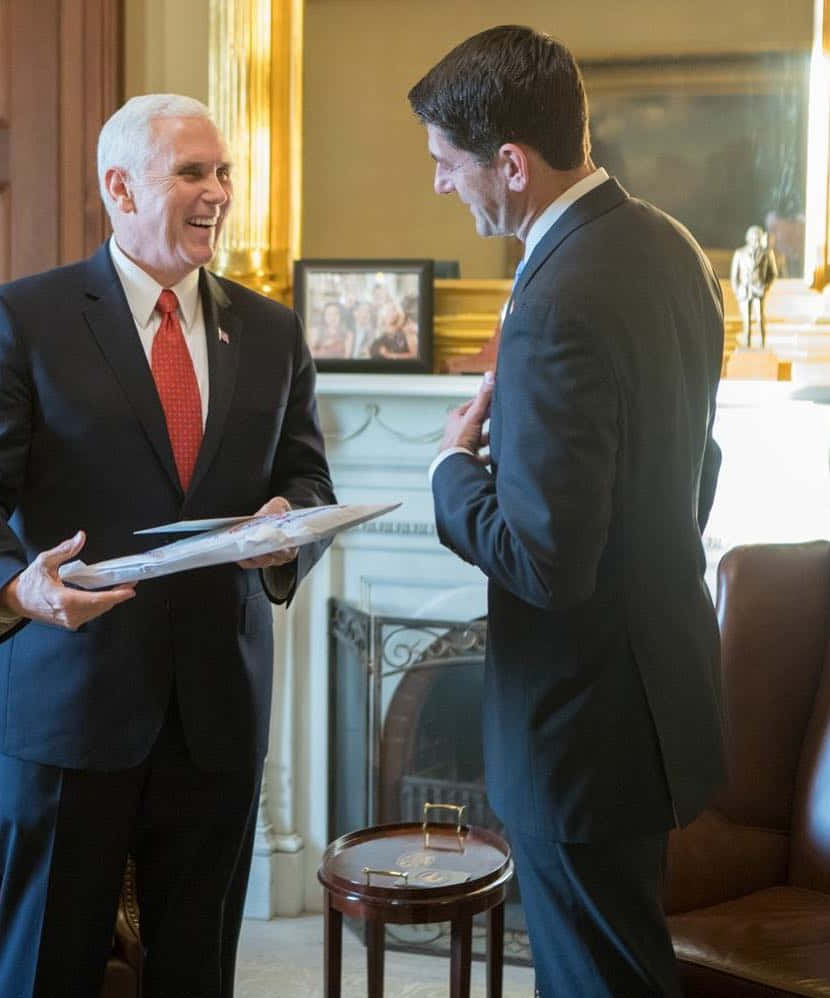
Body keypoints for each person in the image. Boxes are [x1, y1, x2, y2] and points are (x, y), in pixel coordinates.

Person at [0, 93, 335, 998]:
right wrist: (15, 588)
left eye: (224, 172)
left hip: (218, 714)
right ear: (120, 186)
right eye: (193, 172)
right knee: (46, 974)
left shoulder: (270, 332)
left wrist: (287, 537)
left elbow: (308, 482)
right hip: (66, 706)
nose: (218, 192)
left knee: (197, 976)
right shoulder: (23, 319)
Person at [409, 26, 725, 997]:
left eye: (446, 164)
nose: (439, 185)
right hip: (655, 701)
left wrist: (448, 473)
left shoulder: (552, 299)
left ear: (509, 162)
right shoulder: (671, 247)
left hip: (578, 731)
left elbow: (544, 561)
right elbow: (693, 467)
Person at [731, 223, 778, 348]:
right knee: (746, 320)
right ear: (748, 238)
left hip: (759, 290)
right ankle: (747, 343)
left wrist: (765, 286)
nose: (755, 240)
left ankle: (763, 342)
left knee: (760, 318)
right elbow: (734, 276)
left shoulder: (767, 253)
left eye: (757, 238)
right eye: (753, 238)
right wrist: (737, 290)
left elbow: (773, 273)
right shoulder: (739, 253)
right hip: (744, 291)